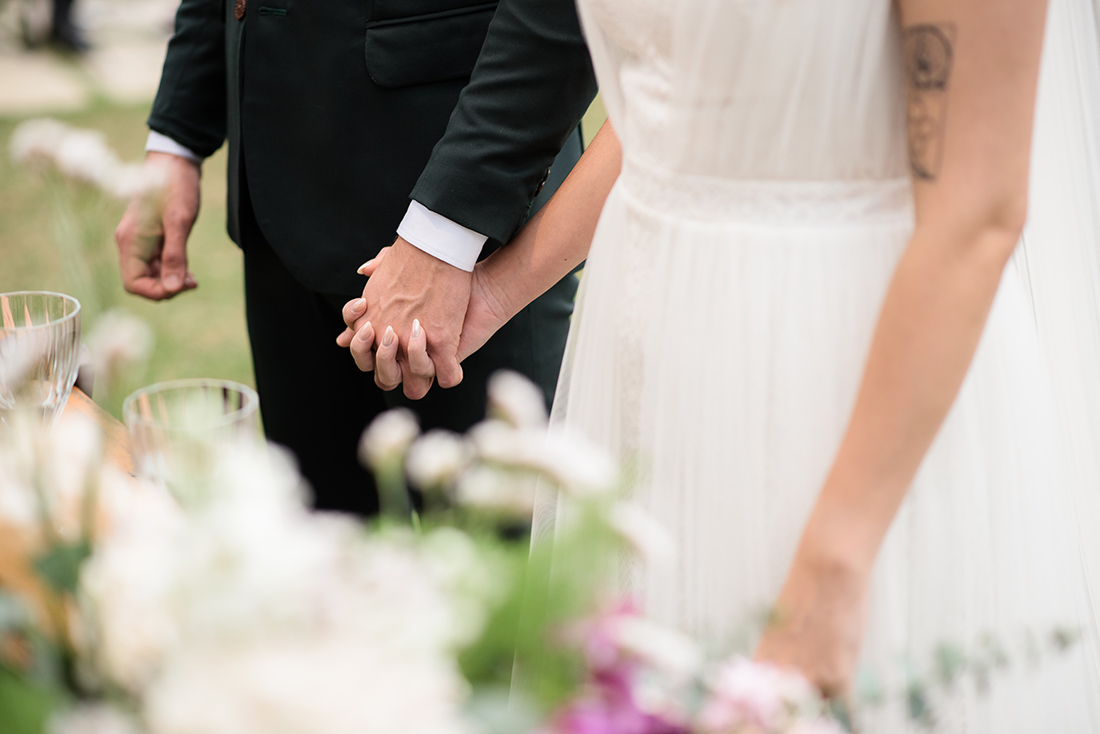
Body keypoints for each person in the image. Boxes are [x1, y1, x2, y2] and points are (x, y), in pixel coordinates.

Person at [349, 0, 1100, 727]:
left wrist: (836, 558)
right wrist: (497, 290)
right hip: (652, 360)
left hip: (845, 368)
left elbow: (975, 216)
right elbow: (676, 105)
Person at [113, 0, 597, 515]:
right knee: (322, 560)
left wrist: (446, 230)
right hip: (276, 193)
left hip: (473, 232)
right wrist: (176, 136)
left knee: (502, 566)